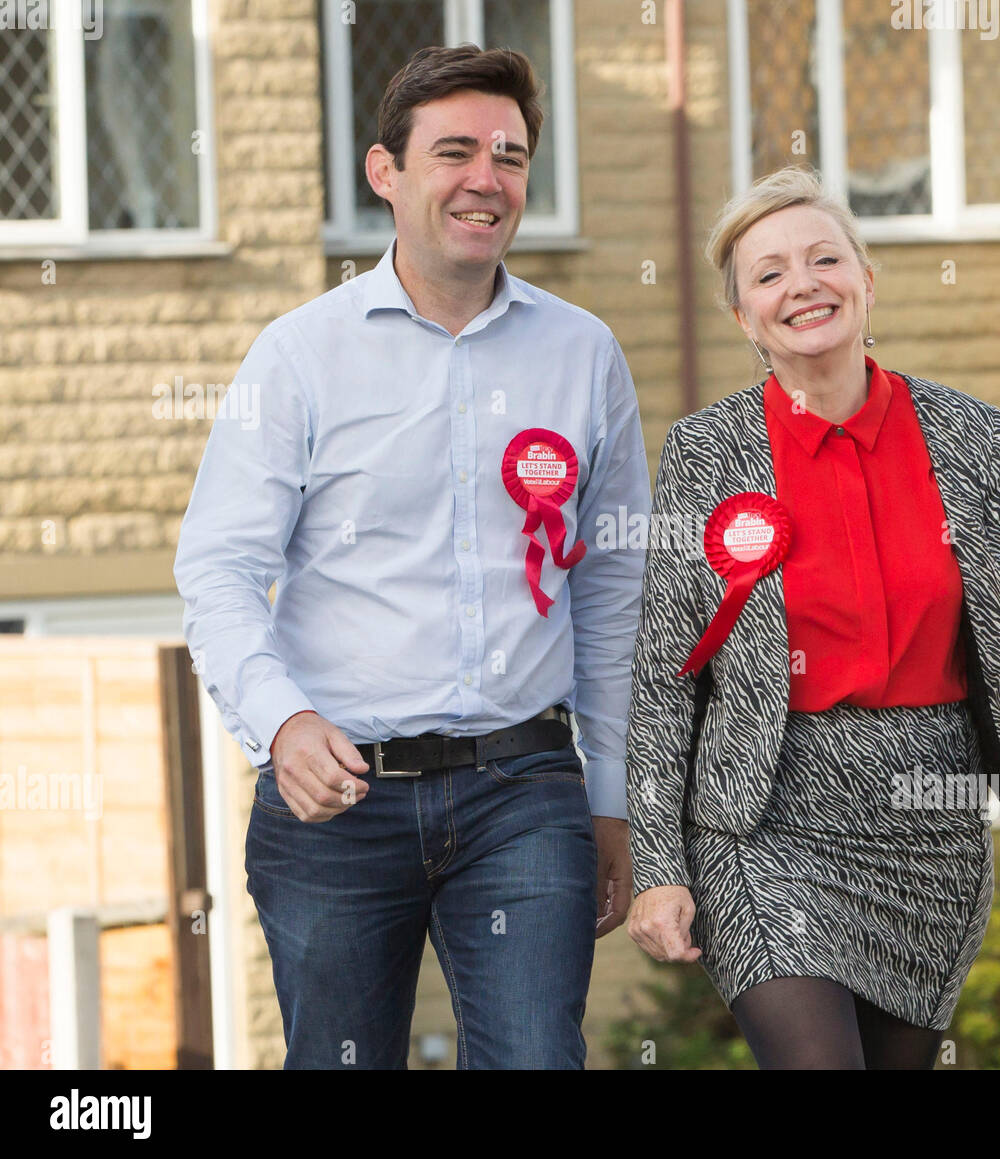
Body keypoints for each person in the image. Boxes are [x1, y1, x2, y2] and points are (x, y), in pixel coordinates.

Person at [173, 45, 650, 1069]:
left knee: (536, 1059)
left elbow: (611, 589)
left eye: (511, 156)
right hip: (338, 800)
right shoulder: (299, 355)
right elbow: (216, 567)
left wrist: (609, 794)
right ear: (384, 173)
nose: (487, 177)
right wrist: (280, 720)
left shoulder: (583, 354)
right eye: (456, 152)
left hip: (524, 787)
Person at [624, 166, 1000, 1070]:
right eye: (768, 274)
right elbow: (664, 678)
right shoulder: (705, 450)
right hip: (764, 818)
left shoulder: (971, 435)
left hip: (931, 816)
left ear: (867, 281)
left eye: (823, 258)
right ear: (744, 318)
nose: (801, 284)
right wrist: (658, 866)